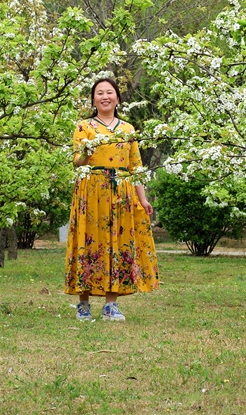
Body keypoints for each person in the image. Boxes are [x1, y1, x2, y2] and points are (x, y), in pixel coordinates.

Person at [64, 78, 159, 321]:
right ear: (93, 99)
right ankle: (83, 302)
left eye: (109, 92)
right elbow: (77, 162)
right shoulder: (83, 127)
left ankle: (111, 304)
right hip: (90, 190)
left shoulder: (127, 129)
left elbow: (135, 167)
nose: (104, 97)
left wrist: (143, 199)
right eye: (99, 93)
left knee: (118, 244)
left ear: (117, 98)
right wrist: (87, 152)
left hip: (121, 193)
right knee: (88, 242)